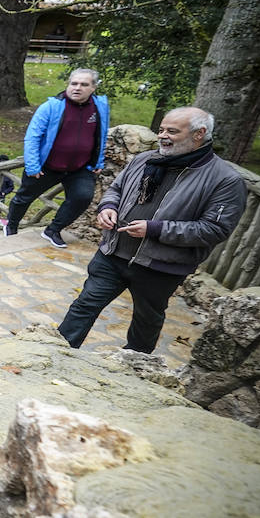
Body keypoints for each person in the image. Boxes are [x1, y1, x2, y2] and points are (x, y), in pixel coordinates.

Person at [58, 107, 245, 353]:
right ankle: (56, 352)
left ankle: (135, 367)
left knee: (145, 322)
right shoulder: (144, 159)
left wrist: (155, 229)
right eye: (161, 130)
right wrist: (108, 207)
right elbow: (116, 189)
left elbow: (215, 229)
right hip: (113, 253)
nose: (163, 136)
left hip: (160, 267)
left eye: (172, 131)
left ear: (199, 134)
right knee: (84, 305)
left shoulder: (225, 180)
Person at [4, 69, 109, 248]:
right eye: (74, 83)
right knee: (24, 198)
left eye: (84, 84)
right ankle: (11, 227)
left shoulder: (100, 107)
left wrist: (98, 161)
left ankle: (53, 230)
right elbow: (32, 137)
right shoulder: (52, 106)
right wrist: (33, 166)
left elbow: (101, 134)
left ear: (93, 88)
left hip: (79, 168)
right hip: (47, 166)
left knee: (83, 197)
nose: (77, 88)